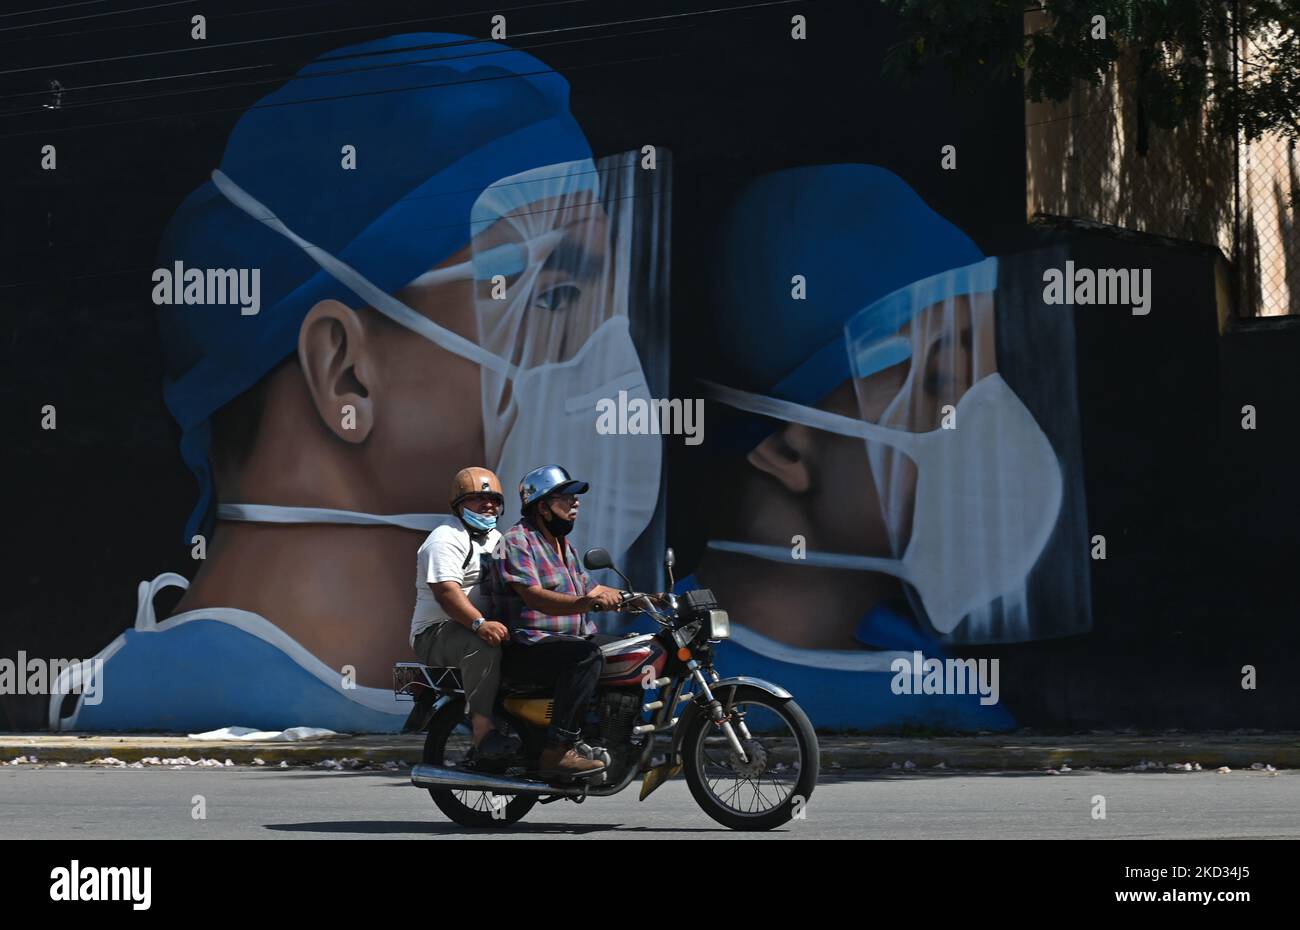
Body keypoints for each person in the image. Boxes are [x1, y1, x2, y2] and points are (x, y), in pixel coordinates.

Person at [48, 33, 666, 734]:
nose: (614, 378)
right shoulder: (157, 702)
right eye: (552, 302)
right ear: (346, 373)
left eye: (610, 315)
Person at [491, 465, 623, 781]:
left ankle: (609, 734)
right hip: (528, 645)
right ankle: (559, 750)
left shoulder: (563, 547)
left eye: (574, 497)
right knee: (585, 657)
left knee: (627, 650)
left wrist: (648, 597)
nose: (575, 503)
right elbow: (534, 597)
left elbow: (592, 588)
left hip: (566, 640)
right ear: (542, 506)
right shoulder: (516, 542)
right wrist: (587, 602)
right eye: (565, 497)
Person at [410, 467, 516, 760]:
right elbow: (446, 593)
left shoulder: (498, 539)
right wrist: (480, 624)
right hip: (436, 632)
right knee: (482, 645)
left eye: (494, 499)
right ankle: (482, 730)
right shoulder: (444, 539)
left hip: (483, 626)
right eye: (477, 498)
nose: (488, 505)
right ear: (458, 504)